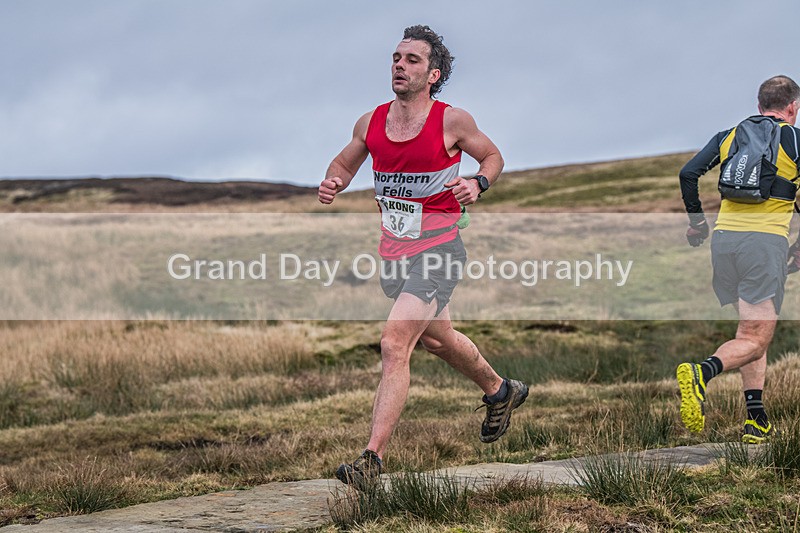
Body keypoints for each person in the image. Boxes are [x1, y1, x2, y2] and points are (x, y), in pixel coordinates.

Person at [318, 25, 528, 486]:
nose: (399, 65)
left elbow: (492, 155)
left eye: (412, 60)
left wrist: (478, 182)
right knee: (438, 339)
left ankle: (370, 460)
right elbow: (345, 161)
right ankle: (500, 390)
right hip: (394, 251)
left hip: (440, 247)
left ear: (433, 74)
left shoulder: (452, 121)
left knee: (395, 344)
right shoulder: (370, 122)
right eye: (396, 57)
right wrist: (334, 181)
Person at [677, 75, 800, 444]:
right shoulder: (794, 139)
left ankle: (755, 419)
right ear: (792, 107)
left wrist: (697, 224)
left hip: (725, 242)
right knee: (755, 336)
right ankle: (702, 372)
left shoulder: (730, 135)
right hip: (764, 246)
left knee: (750, 333)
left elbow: (689, 173)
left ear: (761, 104)